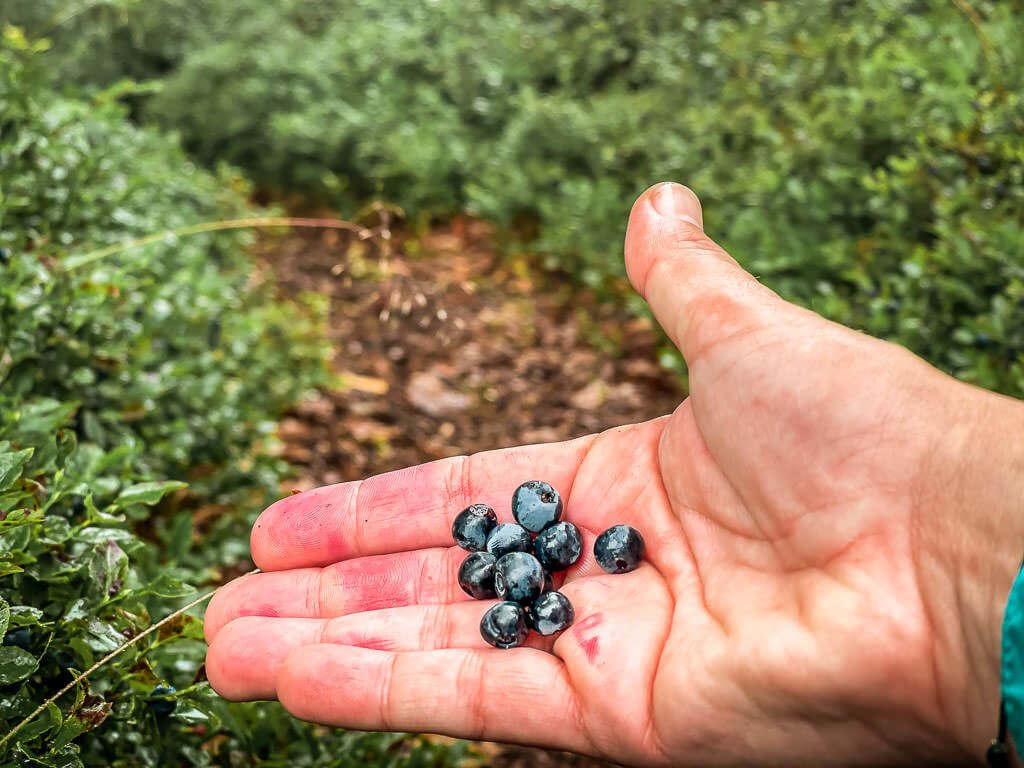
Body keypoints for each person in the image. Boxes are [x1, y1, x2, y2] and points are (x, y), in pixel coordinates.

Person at [203, 182, 1024, 766]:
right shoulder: (528, 563)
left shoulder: (540, 562)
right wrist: (955, 586)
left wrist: (936, 514)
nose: (525, 560)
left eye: (528, 555)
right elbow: (521, 573)